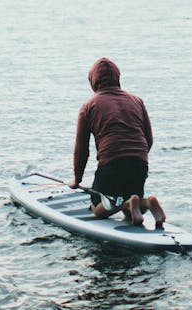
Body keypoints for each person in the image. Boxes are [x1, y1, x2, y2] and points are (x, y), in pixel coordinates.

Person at [70, 57, 166, 229]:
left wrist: (77, 179)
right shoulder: (137, 101)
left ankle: (125, 204)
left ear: (93, 81)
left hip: (111, 166)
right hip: (139, 163)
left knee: (98, 208)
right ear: (117, 77)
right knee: (132, 209)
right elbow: (148, 139)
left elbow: (81, 150)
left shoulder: (88, 106)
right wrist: (136, 157)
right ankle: (147, 203)